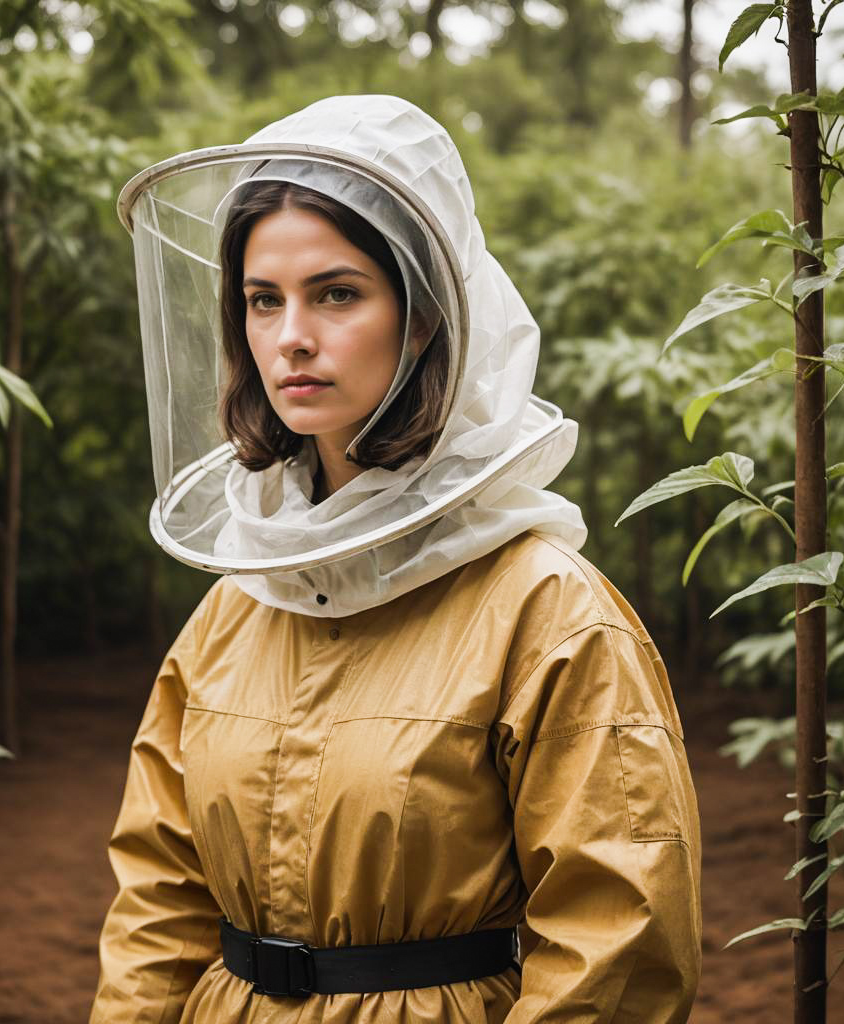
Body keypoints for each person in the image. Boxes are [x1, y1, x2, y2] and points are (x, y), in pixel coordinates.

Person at [89, 94, 701, 1024]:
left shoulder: (547, 613)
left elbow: (617, 943)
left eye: (336, 293)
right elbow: (158, 907)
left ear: (421, 319)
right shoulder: (235, 609)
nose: (291, 335)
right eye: (264, 300)